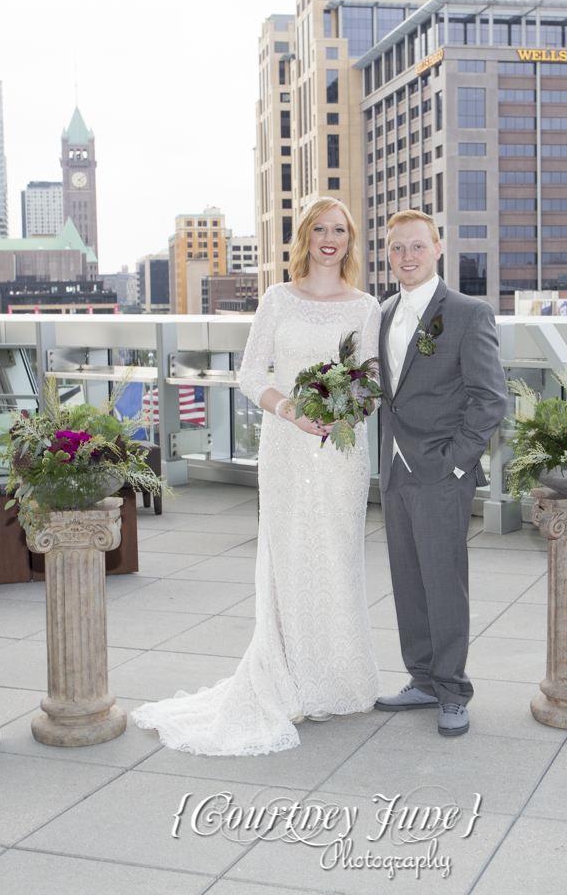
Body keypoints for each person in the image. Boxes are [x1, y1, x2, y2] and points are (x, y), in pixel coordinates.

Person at [132, 198, 381, 755]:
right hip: (287, 446)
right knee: (288, 556)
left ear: (350, 239)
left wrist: (342, 414)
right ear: (305, 237)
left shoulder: (366, 307)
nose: (329, 239)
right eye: (320, 228)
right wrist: (293, 410)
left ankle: (340, 679)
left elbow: (369, 382)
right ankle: (288, 679)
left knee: (338, 557)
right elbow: (248, 374)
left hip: (340, 450)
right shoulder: (277, 299)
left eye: (339, 230)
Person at [374, 210, 507, 737]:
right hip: (394, 469)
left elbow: (490, 399)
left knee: (444, 583)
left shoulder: (469, 313)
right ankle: (423, 679)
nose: (406, 256)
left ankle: (453, 690)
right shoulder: (382, 312)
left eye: (416, 247)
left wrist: (456, 462)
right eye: (397, 249)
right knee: (407, 581)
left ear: (436, 249)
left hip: (441, 473)